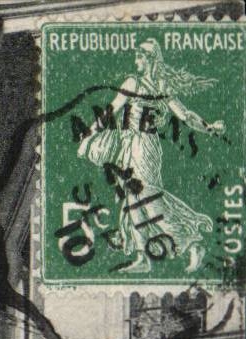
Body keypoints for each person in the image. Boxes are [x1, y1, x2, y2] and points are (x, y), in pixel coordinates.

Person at [77, 39, 225, 275]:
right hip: (133, 146)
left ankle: (190, 241)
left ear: (149, 59)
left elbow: (112, 111)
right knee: (133, 201)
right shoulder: (147, 83)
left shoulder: (142, 83)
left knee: (146, 196)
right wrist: (208, 127)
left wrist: (89, 133)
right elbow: (113, 111)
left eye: (139, 57)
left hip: (143, 147)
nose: (136, 61)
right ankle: (143, 255)